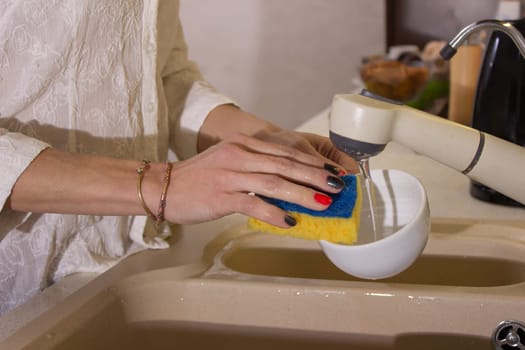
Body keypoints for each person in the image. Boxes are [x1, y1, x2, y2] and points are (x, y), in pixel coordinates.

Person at [0, 0, 356, 315]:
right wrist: (161, 184)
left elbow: (160, 72)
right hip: (17, 289)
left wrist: (263, 142)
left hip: (126, 262)